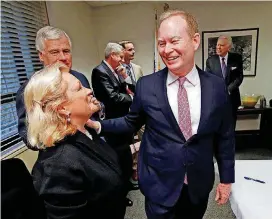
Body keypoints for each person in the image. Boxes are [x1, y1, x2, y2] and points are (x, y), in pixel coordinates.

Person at [88, 10, 235, 219]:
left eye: (174, 41)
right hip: (159, 184)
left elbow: (225, 136)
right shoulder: (147, 85)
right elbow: (131, 122)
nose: (167, 50)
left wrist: (226, 179)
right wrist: (99, 126)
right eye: (161, 43)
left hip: (198, 184)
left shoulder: (216, 87)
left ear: (195, 41)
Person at [24, 62, 127, 219]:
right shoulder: (59, 165)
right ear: (62, 108)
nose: (89, 90)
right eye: (79, 88)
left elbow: (100, 161)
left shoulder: (85, 131)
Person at [16, 26, 103, 148]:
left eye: (66, 51)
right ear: (41, 55)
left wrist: (97, 108)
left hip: (95, 145)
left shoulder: (80, 77)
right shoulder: (30, 90)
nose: (63, 57)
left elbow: (92, 113)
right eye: (54, 52)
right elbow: (30, 137)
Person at [91, 42, 137, 203]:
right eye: (120, 57)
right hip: (112, 122)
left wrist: (124, 77)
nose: (122, 60)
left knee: (126, 154)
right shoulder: (99, 71)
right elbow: (112, 98)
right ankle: (120, 193)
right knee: (117, 156)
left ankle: (127, 182)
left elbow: (128, 88)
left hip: (123, 119)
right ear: (112, 55)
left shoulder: (116, 70)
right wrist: (131, 98)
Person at [119, 40, 144, 183]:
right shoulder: (116, 69)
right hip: (125, 112)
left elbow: (140, 88)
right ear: (122, 52)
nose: (133, 52)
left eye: (133, 49)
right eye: (129, 50)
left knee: (143, 138)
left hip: (140, 110)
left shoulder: (138, 68)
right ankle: (133, 168)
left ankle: (140, 165)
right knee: (129, 142)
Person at [206, 35, 244, 127]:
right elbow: (208, 79)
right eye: (217, 45)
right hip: (216, 100)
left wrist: (228, 90)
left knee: (230, 128)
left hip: (232, 100)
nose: (218, 47)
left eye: (222, 45)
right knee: (217, 128)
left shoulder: (237, 58)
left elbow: (239, 77)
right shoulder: (210, 61)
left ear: (229, 47)